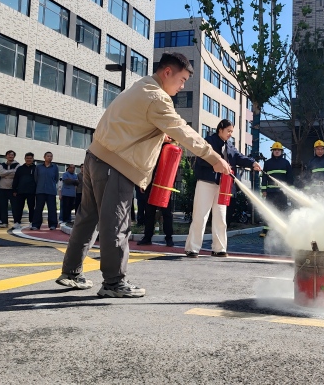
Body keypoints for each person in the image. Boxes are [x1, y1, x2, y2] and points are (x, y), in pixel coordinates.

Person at [55, 52, 231, 298]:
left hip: (96, 157)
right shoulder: (157, 98)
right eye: (181, 80)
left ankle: (71, 273)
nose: (182, 87)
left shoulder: (141, 86)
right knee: (116, 224)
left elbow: (135, 125)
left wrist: (159, 136)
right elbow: (184, 131)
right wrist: (214, 158)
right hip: (116, 165)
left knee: (87, 219)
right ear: (167, 72)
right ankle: (114, 283)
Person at [185, 119, 261, 258]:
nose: (230, 134)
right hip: (206, 182)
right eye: (228, 131)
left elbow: (239, 157)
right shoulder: (209, 142)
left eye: (232, 132)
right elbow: (201, 158)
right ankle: (192, 248)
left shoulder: (230, 146)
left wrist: (252, 163)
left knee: (221, 218)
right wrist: (215, 165)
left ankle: (219, 248)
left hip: (223, 186)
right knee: (200, 216)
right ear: (220, 129)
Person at [138, 135, 175, 247]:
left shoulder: (171, 149)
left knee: (167, 213)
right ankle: (147, 237)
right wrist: (143, 182)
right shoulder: (153, 147)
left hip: (165, 185)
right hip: (151, 182)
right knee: (149, 211)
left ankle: (169, 237)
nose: (168, 137)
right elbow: (146, 165)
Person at [260, 141, 294, 237]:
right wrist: (264, 190)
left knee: (282, 210)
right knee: (268, 210)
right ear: (272, 151)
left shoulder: (286, 163)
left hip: (282, 192)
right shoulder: (267, 163)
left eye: (279, 150)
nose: (277, 151)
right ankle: (266, 230)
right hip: (270, 192)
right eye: (275, 150)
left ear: (281, 151)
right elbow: (264, 177)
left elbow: (290, 177)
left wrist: (289, 190)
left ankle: (282, 230)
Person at [32, 152, 59, 230]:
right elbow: (36, 178)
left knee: (52, 209)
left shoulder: (55, 167)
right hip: (40, 190)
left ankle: (52, 225)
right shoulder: (39, 167)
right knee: (38, 208)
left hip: (51, 191)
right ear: (44, 157)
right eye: (48, 156)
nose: (49, 157)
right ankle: (36, 225)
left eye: (51, 156)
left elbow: (56, 179)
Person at [12, 152, 36, 230]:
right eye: (27, 158)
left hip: (32, 191)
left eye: (30, 158)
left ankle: (32, 222)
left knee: (31, 208)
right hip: (20, 191)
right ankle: (17, 222)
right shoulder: (20, 168)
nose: (28, 159)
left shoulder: (36, 168)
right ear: (25, 159)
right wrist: (14, 190)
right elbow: (16, 179)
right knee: (18, 208)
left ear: (33, 159)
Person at [0, 150, 19, 228]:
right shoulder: (2, 164)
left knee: (15, 207)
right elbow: (1, 173)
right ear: (6, 156)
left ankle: (16, 222)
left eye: (12, 155)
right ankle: (4, 222)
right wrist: (11, 172)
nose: (10, 156)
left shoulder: (17, 165)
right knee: (3, 206)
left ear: (14, 156)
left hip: (12, 188)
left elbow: (16, 174)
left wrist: (5, 173)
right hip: (2, 188)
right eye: (9, 155)